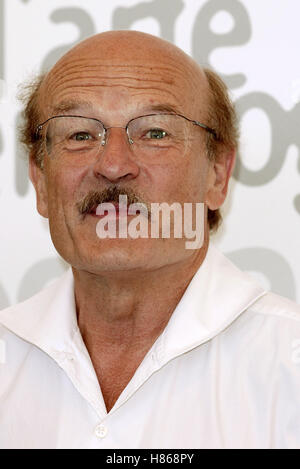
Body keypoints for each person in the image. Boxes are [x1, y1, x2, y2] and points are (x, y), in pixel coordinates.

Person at [0, 30, 299, 450]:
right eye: (81, 134)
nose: (113, 165)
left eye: (155, 133)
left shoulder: (289, 366)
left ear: (217, 174)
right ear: (40, 179)